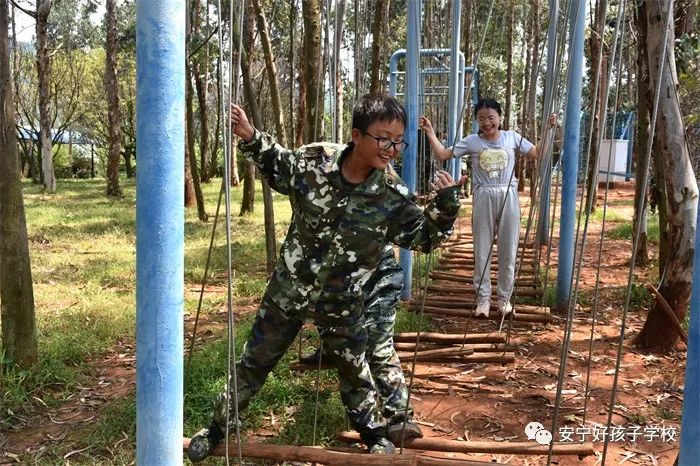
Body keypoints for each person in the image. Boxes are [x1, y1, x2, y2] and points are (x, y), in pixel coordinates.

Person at [188, 93, 461, 462]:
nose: (392, 149)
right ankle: (218, 426)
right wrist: (250, 135)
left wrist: (446, 204)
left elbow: (424, 238)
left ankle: (371, 432)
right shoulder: (315, 161)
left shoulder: (391, 196)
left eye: (399, 141)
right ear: (357, 136)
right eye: (384, 139)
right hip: (288, 292)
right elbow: (278, 164)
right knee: (254, 362)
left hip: (343, 302)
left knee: (353, 370)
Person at [419, 98, 556, 319]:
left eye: (491, 117)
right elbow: (443, 154)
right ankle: (483, 299)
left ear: (500, 117)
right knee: (482, 249)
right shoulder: (472, 141)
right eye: (481, 118)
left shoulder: (512, 137)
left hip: (508, 195)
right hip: (483, 195)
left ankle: (504, 299)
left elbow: (538, 153)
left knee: (508, 249)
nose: (486, 122)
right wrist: (430, 132)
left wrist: (548, 130)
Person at [299, 244, 423, 444]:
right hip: (334, 278)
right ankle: (329, 350)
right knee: (342, 342)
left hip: (377, 275)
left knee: (379, 344)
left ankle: (400, 415)